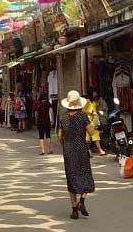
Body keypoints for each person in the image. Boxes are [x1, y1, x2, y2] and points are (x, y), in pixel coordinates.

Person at [58, 90, 95, 220]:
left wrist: (64, 146)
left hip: (68, 150)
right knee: (86, 174)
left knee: (71, 177)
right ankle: (82, 201)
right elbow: (91, 131)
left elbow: (60, 136)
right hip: (80, 148)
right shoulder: (83, 116)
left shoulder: (63, 117)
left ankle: (74, 209)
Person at [84, 89, 107, 156]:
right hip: (88, 120)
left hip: (94, 120)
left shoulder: (94, 101)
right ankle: (88, 150)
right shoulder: (87, 101)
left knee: (96, 135)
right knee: (88, 137)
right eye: (94, 92)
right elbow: (83, 110)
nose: (95, 93)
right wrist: (91, 112)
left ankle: (100, 150)